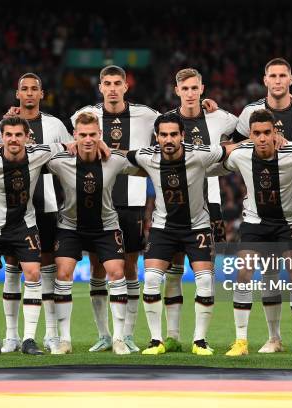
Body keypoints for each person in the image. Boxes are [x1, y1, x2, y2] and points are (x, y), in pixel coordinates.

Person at [0, 117, 72, 356]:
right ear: (2, 137)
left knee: (33, 273)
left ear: (27, 137)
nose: (13, 139)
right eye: (8, 135)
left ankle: (29, 339)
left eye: (19, 135)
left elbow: (71, 145)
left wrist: (91, 143)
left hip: (24, 226)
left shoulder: (39, 153)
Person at [126, 112, 238, 356]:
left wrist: (259, 142)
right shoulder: (147, 156)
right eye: (164, 134)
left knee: (206, 282)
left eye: (174, 134)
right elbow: (121, 155)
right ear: (156, 137)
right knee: (153, 280)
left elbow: (228, 149)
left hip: (196, 227)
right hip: (163, 229)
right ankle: (156, 340)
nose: (169, 139)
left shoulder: (200, 154)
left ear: (182, 136)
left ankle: (199, 340)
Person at [233, 58, 292, 353]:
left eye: (283, 75)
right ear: (265, 79)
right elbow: (231, 147)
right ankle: (274, 338)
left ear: (290, 79)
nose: (278, 80)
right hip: (260, 208)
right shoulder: (249, 112)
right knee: (267, 273)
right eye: (273, 75)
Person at [208, 109, 292, 357]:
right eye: (257, 133)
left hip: (289, 222)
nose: (263, 138)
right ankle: (244, 341)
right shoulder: (241, 155)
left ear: (275, 133)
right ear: (251, 136)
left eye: (267, 132)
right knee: (244, 273)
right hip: (255, 223)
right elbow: (214, 162)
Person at [70, 65, 159, 353]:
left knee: (130, 267)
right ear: (100, 86)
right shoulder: (85, 114)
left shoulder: (148, 116)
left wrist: (207, 110)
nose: (111, 88)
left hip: (132, 201)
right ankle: (104, 334)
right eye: (106, 83)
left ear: (125, 86)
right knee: (97, 266)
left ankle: (127, 334)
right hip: (95, 202)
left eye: (116, 83)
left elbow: (174, 128)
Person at [46, 112, 142, 355]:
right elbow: (31, 153)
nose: (87, 139)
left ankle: (119, 338)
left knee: (116, 273)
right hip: (70, 227)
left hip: (106, 227)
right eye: (82, 135)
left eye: (92, 135)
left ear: (100, 135)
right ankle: (65, 340)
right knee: (63, 274)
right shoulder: (59, 161)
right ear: (75, 136)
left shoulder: (115, 160)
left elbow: (145, 164)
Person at [0, 73, 72, 354]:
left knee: (45, 268)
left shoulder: (55, 125)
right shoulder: (3, 126)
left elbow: (70, 156)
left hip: (46, 201)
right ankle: (11, 336)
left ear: (41, 94)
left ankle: (50, 335)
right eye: (23, 89)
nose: (28, 94)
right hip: (12, 206)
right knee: (13, 268)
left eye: (33, 89)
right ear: (17, 94)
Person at [161, 68, 238, 352]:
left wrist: (227, 150)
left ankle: (200, 337)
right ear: (177, 90)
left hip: (211, 201)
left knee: (207, 270)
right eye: (185, 89)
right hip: (174, 204)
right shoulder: (167, 122)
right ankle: (172, 336)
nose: (191, 93)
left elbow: (242, 135)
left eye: (195, 88)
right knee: (173, 269)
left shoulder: (220, 118)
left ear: (202, 89)